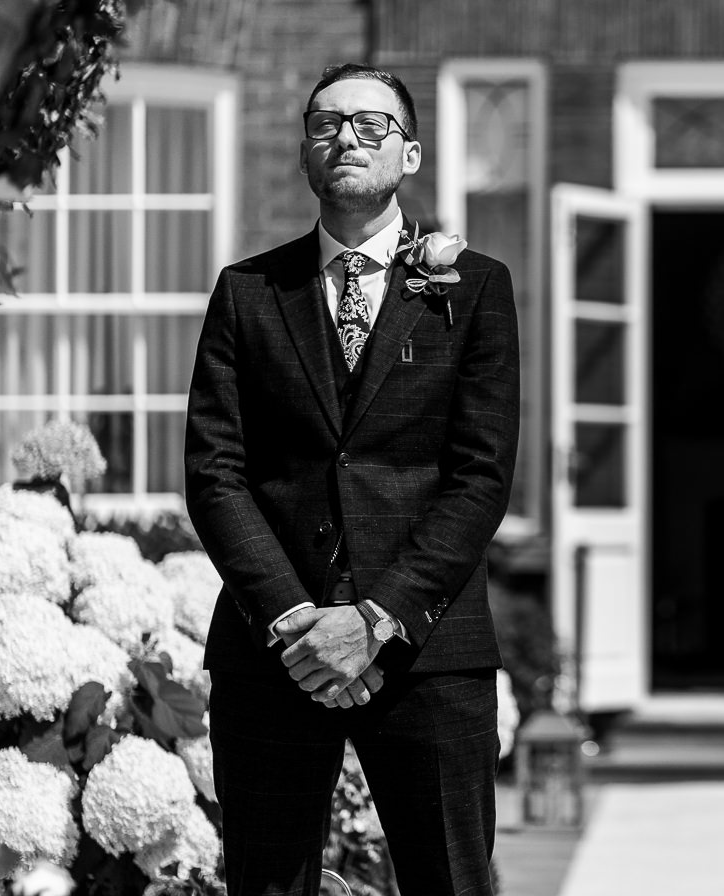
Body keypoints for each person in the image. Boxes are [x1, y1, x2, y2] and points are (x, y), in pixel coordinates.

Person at [185, 62, 519, 896]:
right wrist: (299, 620)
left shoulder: (474, 288)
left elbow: (480, 479)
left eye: (371, 125)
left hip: (426, 651)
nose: (345, 138)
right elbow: (216, 472)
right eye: (326, 123)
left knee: (451, 882)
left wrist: (377, 620)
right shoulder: (248, 293)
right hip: (279, 653)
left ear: (409, 155)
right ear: (304, 153)